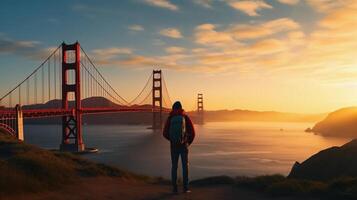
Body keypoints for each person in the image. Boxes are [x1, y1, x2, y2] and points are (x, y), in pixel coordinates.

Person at [163, 101, 196, 193]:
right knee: (185, 166)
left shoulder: (170, 118)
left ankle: (175, 188)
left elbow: (164, 133)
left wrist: (173, 140)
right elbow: (193, 133)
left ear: (173, 109)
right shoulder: (185, 117)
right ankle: (185, 188)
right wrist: (187, 142)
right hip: (184, 146)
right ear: (181, 108)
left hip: (174, 146)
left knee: (174, 167)